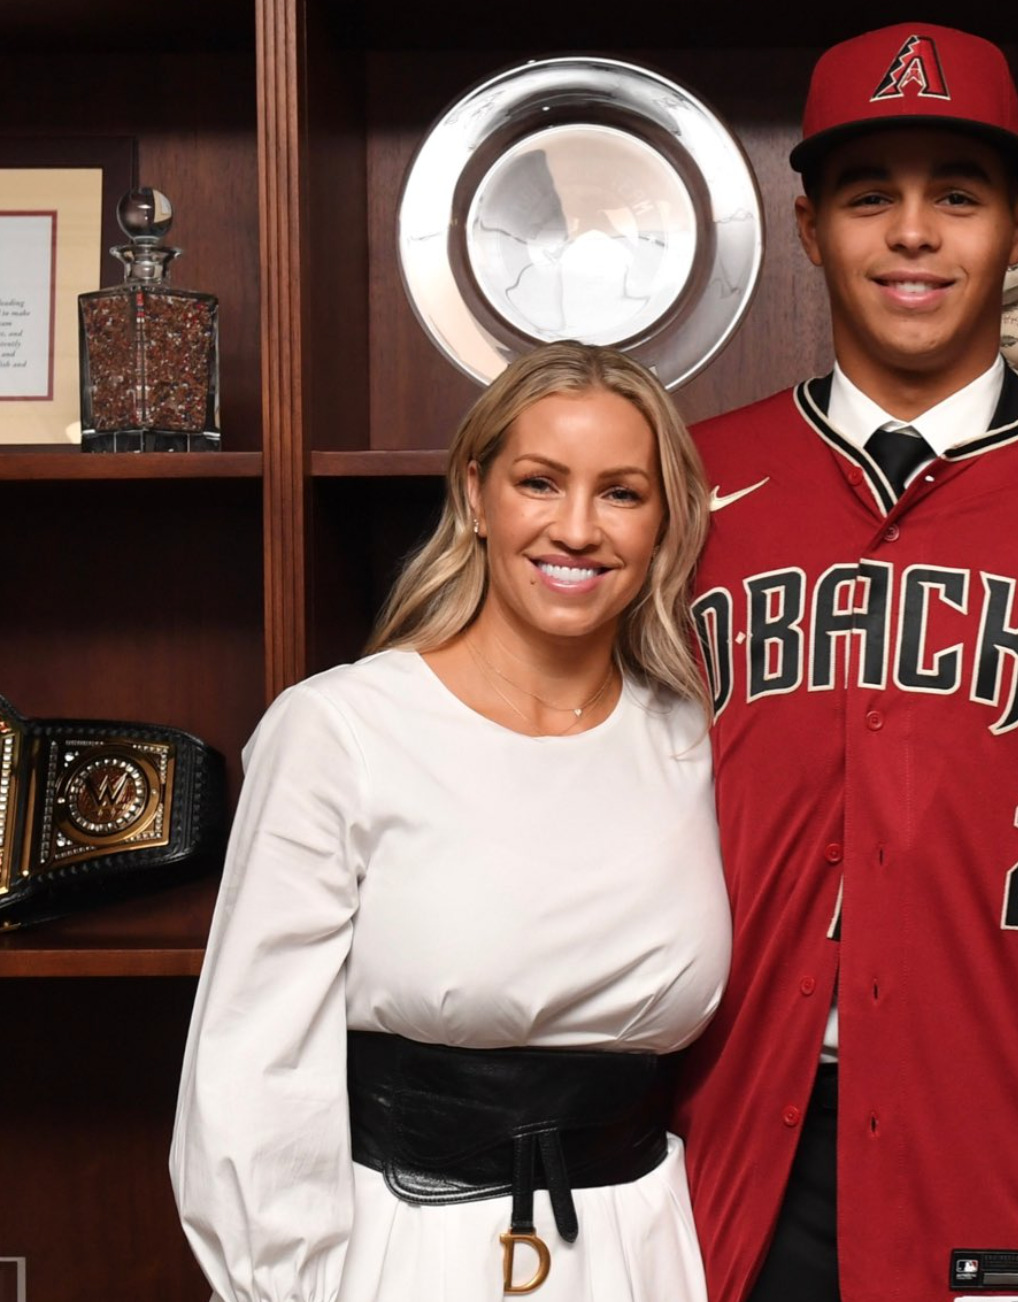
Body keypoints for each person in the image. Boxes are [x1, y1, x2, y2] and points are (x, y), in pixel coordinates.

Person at [670, 22, 1018, 1302]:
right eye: (869, 197)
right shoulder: (684, 485)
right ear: (808, 229)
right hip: (716, 1147)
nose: (913, 234)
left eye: (956, 197)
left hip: (1012, 1155)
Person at [169, 341, 730, 1301]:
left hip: (642, 1244)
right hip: (407, 1245)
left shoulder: (690, 734)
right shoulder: (339, 728)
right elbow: (253, 1059)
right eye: (540, 482)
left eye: (623, 493)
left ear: (665, 519)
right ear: (476, 496)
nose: (579, 528)